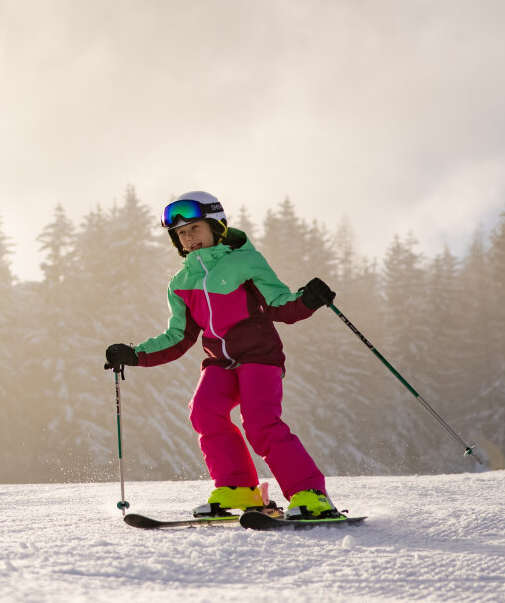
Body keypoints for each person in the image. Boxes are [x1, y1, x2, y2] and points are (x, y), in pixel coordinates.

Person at [104, 190, 339, 519]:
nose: (189, 238)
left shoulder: (245, 261)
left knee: (259, 422)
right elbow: (178, 337)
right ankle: (238, 487)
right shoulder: (181, 282)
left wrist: (307, 300)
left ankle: (309, 493)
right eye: (181, 234)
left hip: (259, 356)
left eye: (195, 229)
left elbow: (279, 305)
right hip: (219, 361)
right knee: (203, 410)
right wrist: (135, 354)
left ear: (216, 226)